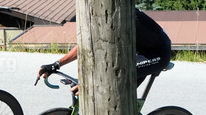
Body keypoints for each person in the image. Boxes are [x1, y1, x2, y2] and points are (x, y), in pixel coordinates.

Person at [38, 8, 172, 90]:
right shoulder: (105, 16)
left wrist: (91, 84)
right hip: (138, 51)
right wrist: (56, 64)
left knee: (117, 78)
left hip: (157, 54)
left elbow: (111, 61)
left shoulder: (125, 21)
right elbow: (86, 45)